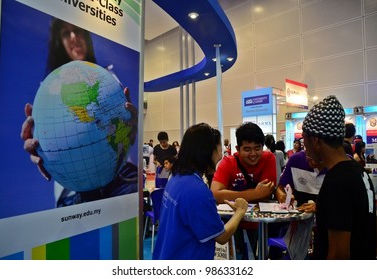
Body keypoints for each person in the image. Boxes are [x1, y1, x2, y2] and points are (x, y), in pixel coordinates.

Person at [20, 18, 138, 206]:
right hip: (73, 192)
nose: (74, 37)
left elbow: (123, 129)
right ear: (60, 42)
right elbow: (41, 141)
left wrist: (132, 125)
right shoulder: (49, 92)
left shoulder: (109, 80)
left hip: (122, 179)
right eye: (66, 33)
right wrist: (39, 145)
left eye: (78, 30)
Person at [153, 123, 248, 260]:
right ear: (210, 151)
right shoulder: (197, 191)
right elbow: (221, 237)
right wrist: (240, 211)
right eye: (220, 147)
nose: (221, 154)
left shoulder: (176, 177)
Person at [302, 95, 377, 259]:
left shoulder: (337, 182)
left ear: (315, 140)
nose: (303, 147)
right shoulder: (359, 172)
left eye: (304, 139)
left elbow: (339, 255)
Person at [211, 122, 276, 204]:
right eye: (247, 149)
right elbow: (215, 195)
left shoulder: (268, 158)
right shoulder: (228, 162)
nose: (253, 154)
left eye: (257, 148)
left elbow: (266, 193)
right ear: (238, 149)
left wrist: (230, 195)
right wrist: (255, 193)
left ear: (263, 147)